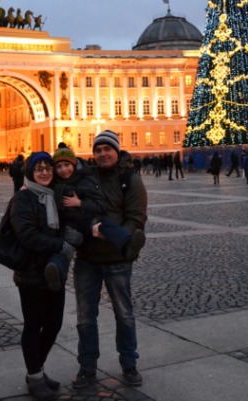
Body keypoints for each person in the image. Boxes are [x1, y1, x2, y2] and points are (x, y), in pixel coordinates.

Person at [73, 130, 147, 389]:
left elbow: (137, 218)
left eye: (107, 149)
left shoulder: (130, 179)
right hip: (86, 259)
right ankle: (87, 367)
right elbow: (65, 200)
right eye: (98, 150)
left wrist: (116, 239)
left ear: (116, 150)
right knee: (85, 317)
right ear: (93, 154)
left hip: (117, 258)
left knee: (124, 314)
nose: (102, 153)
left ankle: (129, 364)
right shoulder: (84, 178)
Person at [10, 151, 73, 401]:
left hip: (53, 273)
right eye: (39, 169)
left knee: (54, 324)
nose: (45, 172)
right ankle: (35, 375)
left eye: (48, 168)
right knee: (33, 325)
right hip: (31, 274)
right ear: (30, 173)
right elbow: (27, 237)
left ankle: (37, 370)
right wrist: (60, 246)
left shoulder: (53, 197)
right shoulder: (23, 199)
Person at [45, 147, 145, 292]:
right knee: (64, 248)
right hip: (70, 227)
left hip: (88, 221)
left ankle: (127, 244)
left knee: (105, 224)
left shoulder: (84, 180)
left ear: (73, 165)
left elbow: (100, 205)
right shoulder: (54, 183)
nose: (63, 169)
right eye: (59, 166)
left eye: (67, 165)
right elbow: (40, 185)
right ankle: (56, 274)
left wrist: (79, 203)